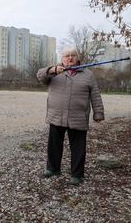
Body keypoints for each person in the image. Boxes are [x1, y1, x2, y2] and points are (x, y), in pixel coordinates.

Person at [37, 47, 105, 186]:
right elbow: (40, 76)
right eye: (67, 56)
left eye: (73, 55)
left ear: (77, 58)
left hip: (78, 117)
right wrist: (52, 70)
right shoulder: (55, 72)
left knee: (78, 148)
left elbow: (95, 95)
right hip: (56, 116)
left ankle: (77, 174)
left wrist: (98, 113)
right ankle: (53, 168)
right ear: (62, 59)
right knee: (54, 145)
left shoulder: (88, 75)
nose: (70, 58)